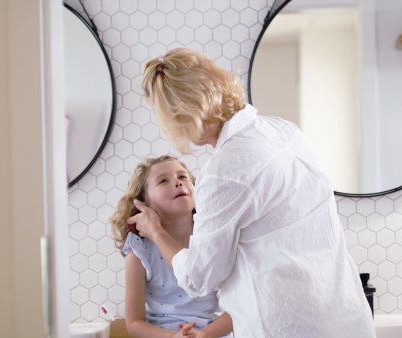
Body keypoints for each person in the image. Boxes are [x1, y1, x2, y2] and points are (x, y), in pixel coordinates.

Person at [131, 48, 376, 337]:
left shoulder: (224, 171)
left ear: (184, 114)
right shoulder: (285, 131)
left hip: (287, 326)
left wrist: (156, 232)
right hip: (344, 316)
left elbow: (198, 278)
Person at [110, 155, 233, 338]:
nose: (177, 182)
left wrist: (204, 334)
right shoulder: (140, 253)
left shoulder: (215, 242)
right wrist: (173, 336)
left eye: (183, 177)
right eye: (163, 181)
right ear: (146, 203)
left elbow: (238, 308)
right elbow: (135, 323)